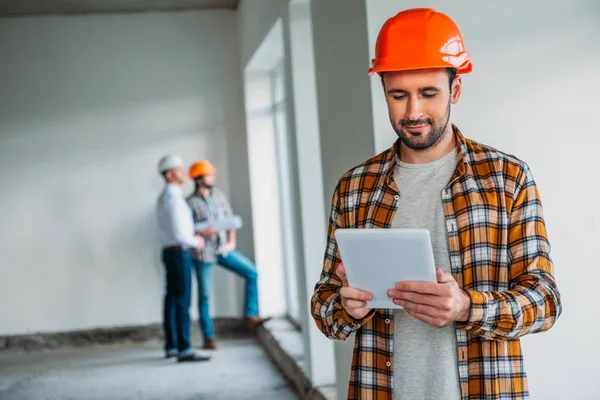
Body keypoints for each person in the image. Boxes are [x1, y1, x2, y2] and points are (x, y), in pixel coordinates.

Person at [311, 8, 562, 400]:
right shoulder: (355, 187)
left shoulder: (506, 178)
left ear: (455, 90)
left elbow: (545, 300)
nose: (413, 112)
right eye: (398, 95)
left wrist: (466, 307)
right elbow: (325, 304)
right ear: (383, 90)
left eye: (428, 93)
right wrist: (346, 308)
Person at [186, 160, 270, 350]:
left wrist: (231, 242)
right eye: (209, 174)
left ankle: (250, 315)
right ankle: (208, 337)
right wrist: (201, 233)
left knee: (251, 272)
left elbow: (230, 221)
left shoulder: (220, 196)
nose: (213, 177)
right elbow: (185, 230)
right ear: (199, 179)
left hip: (222, 249)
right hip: (202, 254)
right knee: (205, 295)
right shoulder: (190, 203)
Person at [156, 155, 211, 363]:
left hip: (171, 252)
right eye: (179, 170)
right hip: (180, 252)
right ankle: (185, 348)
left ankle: (172, 345)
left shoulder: (166, 196)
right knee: (182, 301)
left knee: (172, 299)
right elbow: (180, 234)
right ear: (170, 175)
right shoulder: (173, 198)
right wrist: (196, 240)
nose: (183, 173)